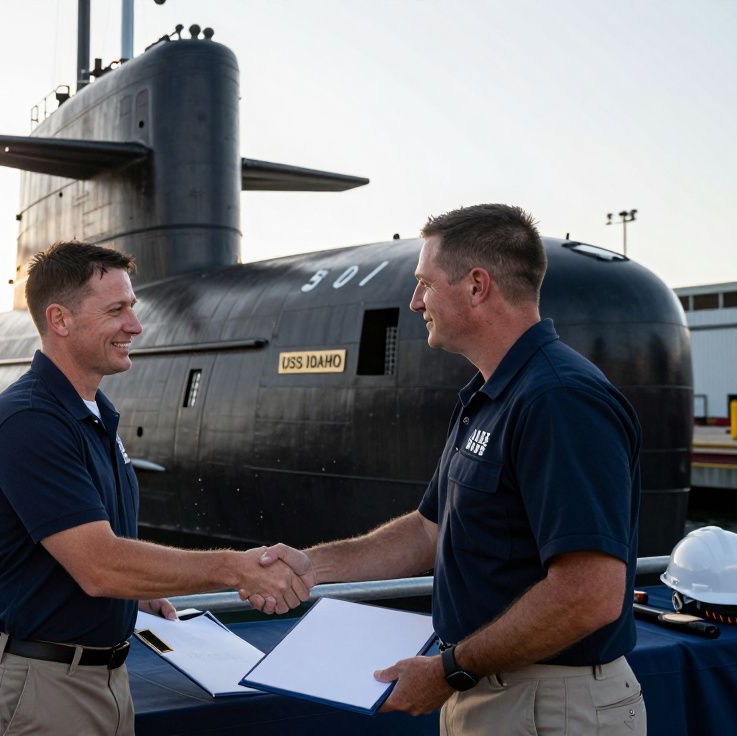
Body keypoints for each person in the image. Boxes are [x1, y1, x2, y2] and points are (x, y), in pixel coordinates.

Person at [251, 204, 646, 735]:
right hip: (494, 690)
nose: (415, 302)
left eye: (425, 285)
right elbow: (429, 531)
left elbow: (590, 592)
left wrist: (450, 668)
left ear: (477, 286)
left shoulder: (559, 400)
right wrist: (312, 567)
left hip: (550, 705)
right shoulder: (491, 396)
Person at [0, 241, 310, 736]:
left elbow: (85, 557)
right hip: (39, 686)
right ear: (59, 320)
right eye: (116, 310)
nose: (136, 325)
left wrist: (136, 595)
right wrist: (235, 568)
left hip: (98, 676)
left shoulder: (91, 414)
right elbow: (99, 565)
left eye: (133, 308)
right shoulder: (30, 418)